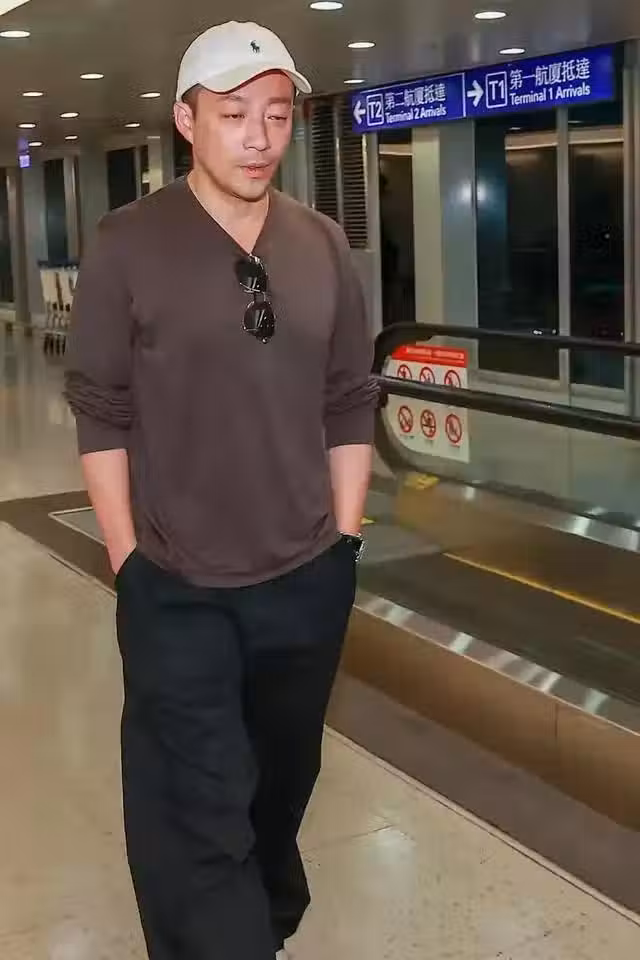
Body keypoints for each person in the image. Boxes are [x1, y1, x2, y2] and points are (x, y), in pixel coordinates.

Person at [64, 20, 377, 960]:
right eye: (234, 114)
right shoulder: (127, 244)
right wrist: (129, 563)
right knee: (196, 808)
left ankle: (260, 911)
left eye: (276, 115)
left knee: (277, 788)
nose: (258, 137)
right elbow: (101, 411)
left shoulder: (322, 245)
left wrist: (345, 544)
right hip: (177, 584)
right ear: (186, 121)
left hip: (306, 578)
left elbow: (349, 400)